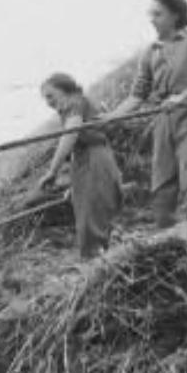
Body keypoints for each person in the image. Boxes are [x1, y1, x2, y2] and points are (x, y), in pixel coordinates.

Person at [112, 0, 187, 226]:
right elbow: (137, 96)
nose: (151, 19)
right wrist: (112, 117)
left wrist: (183, 97)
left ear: (175, 16)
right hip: (164, 119)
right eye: (150, 14)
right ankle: (165, 238)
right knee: (163, 187)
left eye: (158, 14)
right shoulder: (151, 51)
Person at [39, 72, 123, 259]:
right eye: (45, 99)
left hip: (95, 157)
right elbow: (75, 146)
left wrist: (52, 171)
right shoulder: (72, 106)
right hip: (86, 160)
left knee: (92, 214)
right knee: (88, 212)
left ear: (65, 90)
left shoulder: (75, 103)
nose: (48, 102)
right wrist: (74, 184)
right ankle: (100, 259)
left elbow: (71, 135)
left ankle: (98, 261)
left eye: (50, 96)